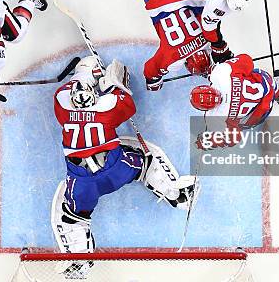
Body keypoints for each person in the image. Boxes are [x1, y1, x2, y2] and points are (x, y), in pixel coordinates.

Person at [51, 56, 199, 263]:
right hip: (116, 169)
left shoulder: (62, 105)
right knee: (144, 162)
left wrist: (85, 72)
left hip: (82, 182)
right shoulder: (107, 105)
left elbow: (65, 90)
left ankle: (79, 261)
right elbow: (127, 102)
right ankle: (176, 194)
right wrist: (111, 81)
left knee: (73, 217)